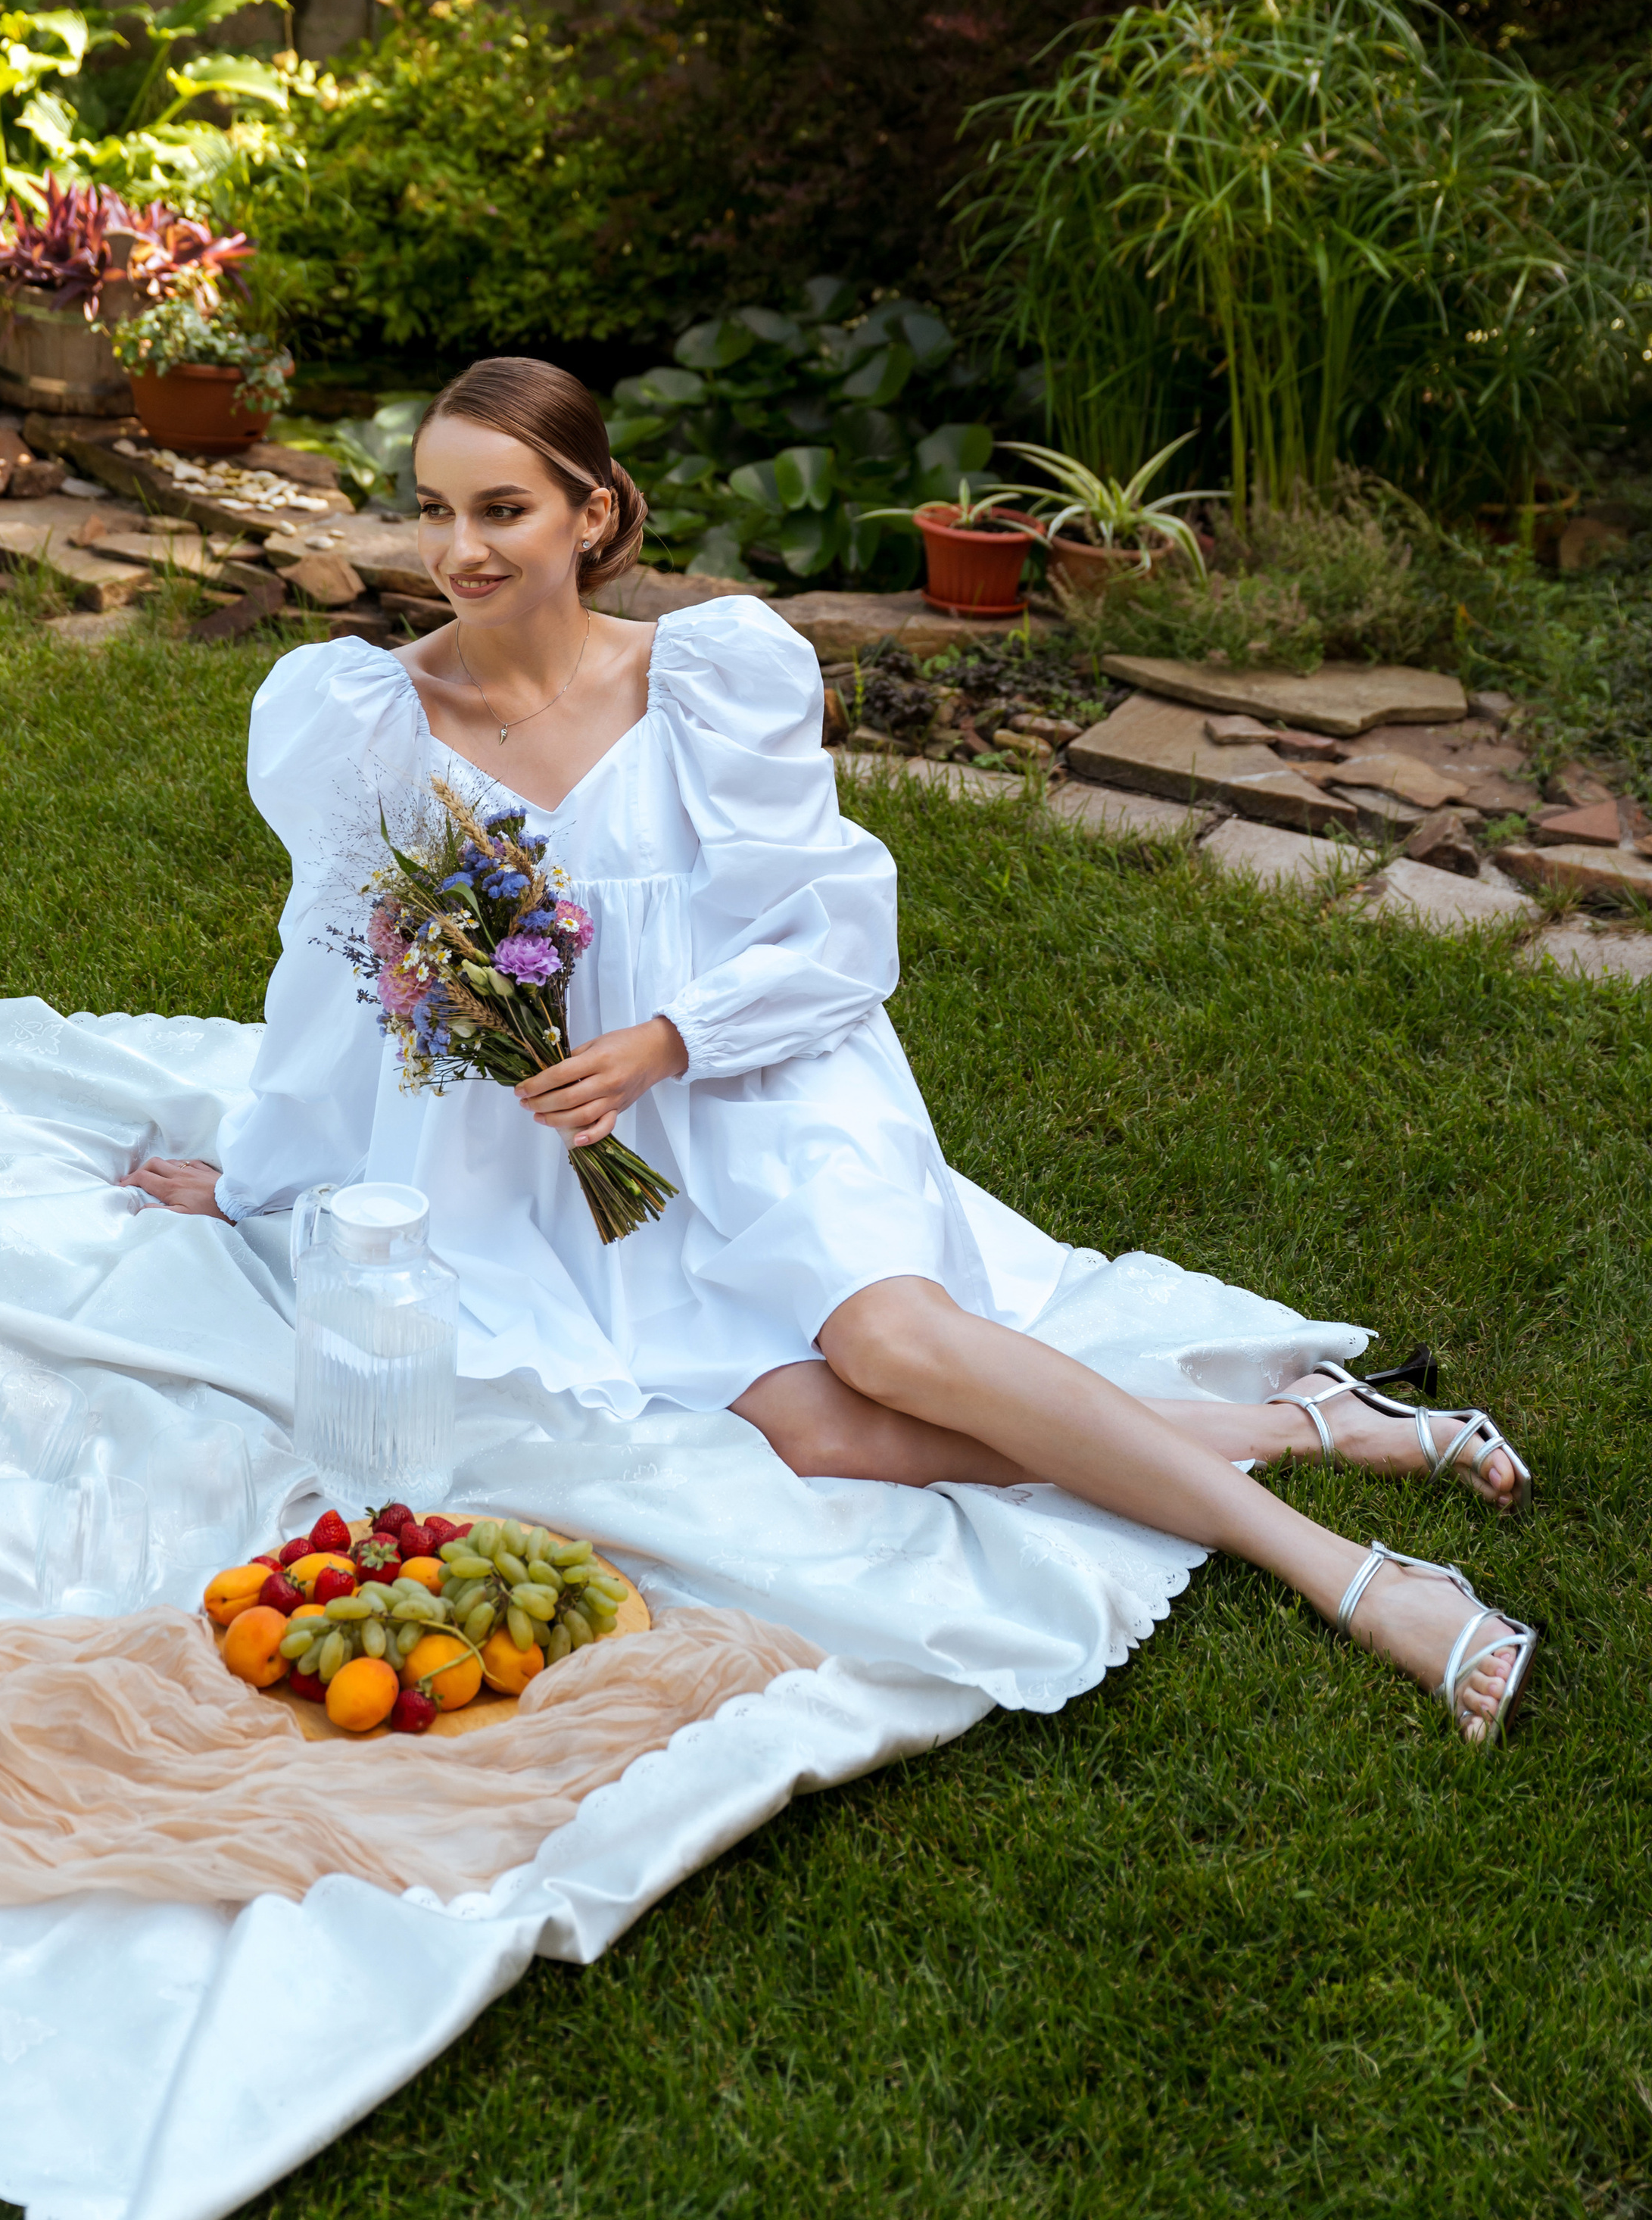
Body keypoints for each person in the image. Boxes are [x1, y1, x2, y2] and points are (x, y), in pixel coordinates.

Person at [123, 357, 1538, 1742]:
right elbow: (341, 982)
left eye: (502, 510)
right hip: (566, 1167)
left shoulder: (710, 682)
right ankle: (1307, 1427)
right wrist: (265, 1180)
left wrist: (667, 1042)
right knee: (825, 1434)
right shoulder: (362, 717)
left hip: (760, 1087)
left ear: (593, 515)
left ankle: (1352, 1576)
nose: (457, 548)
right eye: (433, 510)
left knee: (892, 1344)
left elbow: (839, 935)